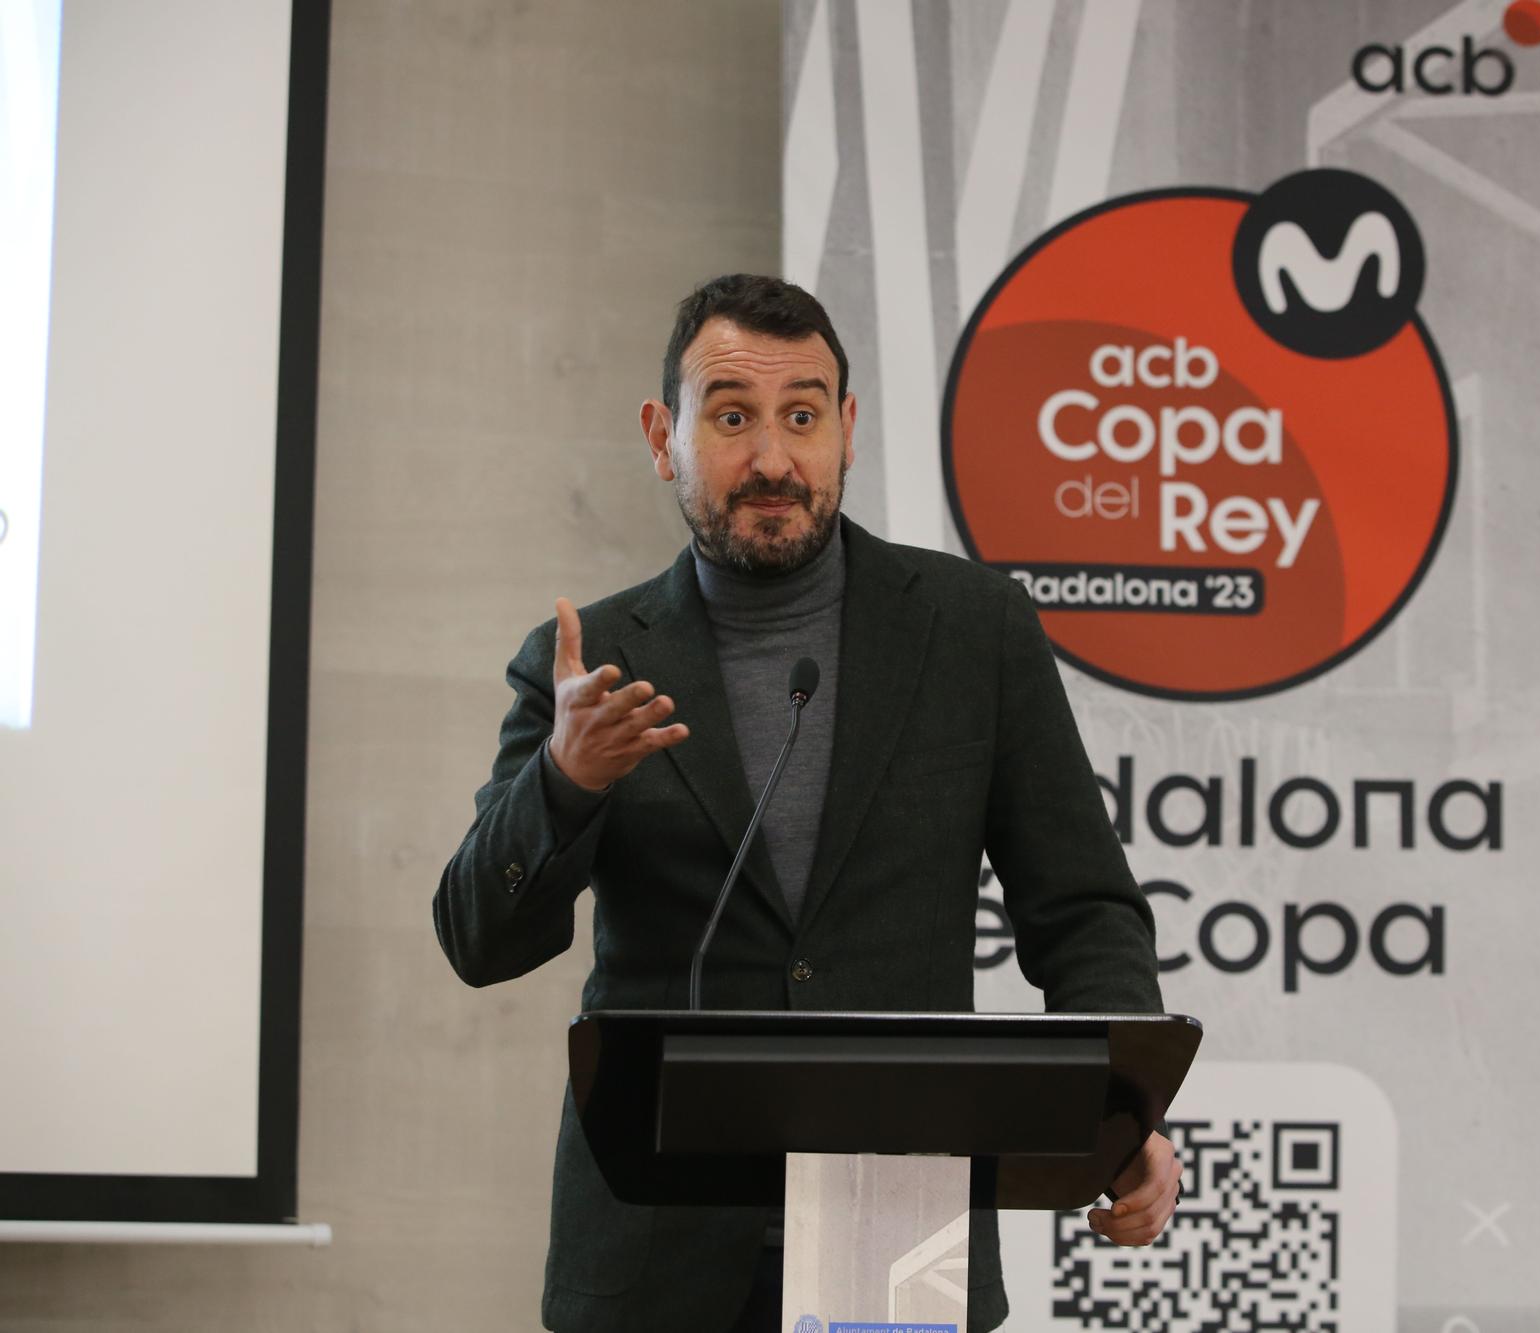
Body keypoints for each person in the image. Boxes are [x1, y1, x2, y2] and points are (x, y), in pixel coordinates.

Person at [434, 274, 1181, 1333]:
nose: (773, 459)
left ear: (848, 428)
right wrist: (563, 782)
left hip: (901, 1226)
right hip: (657, 1256)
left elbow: (1082, 911)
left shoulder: (974, 633)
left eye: (803, 415)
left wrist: (1122, 1114)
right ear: (664, 435)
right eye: (731, 417)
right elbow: (479, 940)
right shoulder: (586, 666)